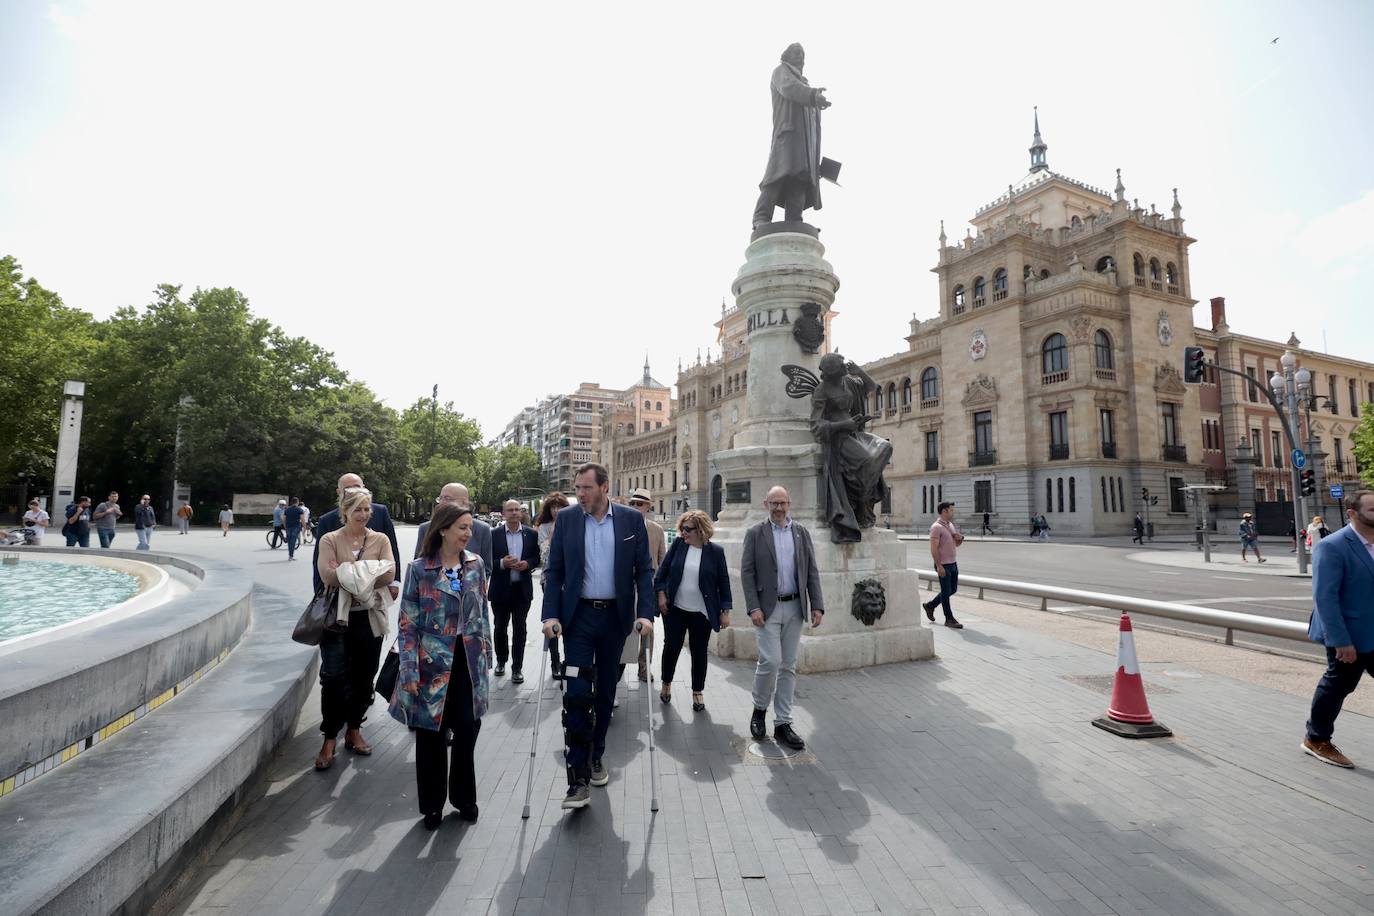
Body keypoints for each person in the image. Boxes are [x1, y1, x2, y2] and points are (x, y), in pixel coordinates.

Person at [540, 462, 655, 810]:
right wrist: (550, 614)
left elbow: (644, 571)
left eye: (586, 488)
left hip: (615, 620)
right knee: (576, 692)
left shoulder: (631, 521)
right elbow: (555, 569)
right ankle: (577, 778)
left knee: (605, 692)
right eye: (577, 488)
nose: (580, 494)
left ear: (605, 487)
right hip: (578, 619)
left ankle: (596, 755)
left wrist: (645, 614)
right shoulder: (569, 520)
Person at [390, 502, 491, 828]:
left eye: (470, 528)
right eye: (462, 527)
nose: (468, 533)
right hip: (430, 663)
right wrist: (408, 669)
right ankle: (432, 805)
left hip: (467, 660)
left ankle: (464, 798)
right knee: (430, 735)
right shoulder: (420, 569)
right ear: (443, 529)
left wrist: (486, 651)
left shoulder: (476, 565)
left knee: (467, 728)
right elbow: (407, 623)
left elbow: (482, 612)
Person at [313, 486, 396, 771]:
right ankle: (329, 737)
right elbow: (326, 575)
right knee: (333, 677)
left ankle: (354, 729)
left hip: (369, 618)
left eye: (366, 509)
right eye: (357, 509)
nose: (363, 514)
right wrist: (369, 571)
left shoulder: (380, 538)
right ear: (344, 511)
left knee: (364, 676)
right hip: (337, 618)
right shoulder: (329, 539)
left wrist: (346, 570)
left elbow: (390, 573)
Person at [740, 486, 823, 750]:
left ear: (790, 504)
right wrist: (753, 607)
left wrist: (817, 605)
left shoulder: (801, 533)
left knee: (788, 665)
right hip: (768, 609)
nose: (778, 508)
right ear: (766, 504)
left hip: (795, 607)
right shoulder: (755, 533)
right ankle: (759, 709)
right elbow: (747, 573)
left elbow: (811, 571)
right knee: (770, 661)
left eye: (782, 503)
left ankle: (783, 723)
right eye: (774, 503)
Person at [1302, 490, 1374, 768]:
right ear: (1352, 514)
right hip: (1349, 634)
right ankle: (1316, 739)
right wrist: (1340, 640)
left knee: (1338, 684)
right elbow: (1325, 597)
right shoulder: (1332, 546)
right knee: (1338, 684)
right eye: (1372, 509)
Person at [654, 509, 732, 712]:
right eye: (682, 528)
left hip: (701, 613)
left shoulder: (716, 553)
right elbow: (661, 574)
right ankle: (666, 683)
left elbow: (724, 583)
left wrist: (725, 609)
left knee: (699, 652)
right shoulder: (679, 545)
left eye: (687, 529)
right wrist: (661, 595)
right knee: (672, 647)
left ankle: (697, 691)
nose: (683, 533)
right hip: (675, 609)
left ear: (701, 530)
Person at [809, 353, 892, 543]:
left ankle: (861, 497)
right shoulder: (822, 390)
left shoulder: (848, 381)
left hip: (855, 432)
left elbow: (872, 388)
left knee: (885, 447)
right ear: (832, 370)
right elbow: (815, 425)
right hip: (839, 438)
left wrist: (860, 372)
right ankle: (860, 501)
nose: (845, 366)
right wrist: (843, 425)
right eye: (841, 365)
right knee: (866, 460)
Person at [752, 43, 832, 229]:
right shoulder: (781, 72)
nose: (800, 57)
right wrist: (812, 96)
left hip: (805, 144)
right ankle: (761, 218)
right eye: (796, 53)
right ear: (786, 55)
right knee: (777, 175)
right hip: (787, 136)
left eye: (803, 54)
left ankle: (795, 221)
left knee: (800, 179)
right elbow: (789, 88)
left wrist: (816, 100)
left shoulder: (805, 84)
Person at [314, 473, 401, 595]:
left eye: (366, 509)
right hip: (338, 604)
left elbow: (390, 566)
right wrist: (319, 593)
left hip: (373, 604)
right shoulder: (327, 524)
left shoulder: (381, 514)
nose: (363, 515)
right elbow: (325, 572)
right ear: (339, 492)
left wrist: (342, 570)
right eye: (348, 489)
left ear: (364, 487)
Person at [490, 498, 540, 682]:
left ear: (522, 513)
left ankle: (517, 667)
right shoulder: (493, 534)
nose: (514, 513)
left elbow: (536, 558)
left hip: (522, 590)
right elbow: (486, 562)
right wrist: (502, 563)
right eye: (510, 510)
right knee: (500, 627)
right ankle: (501, 661)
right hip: (500, 590)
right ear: (503, 513)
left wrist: (528, 564)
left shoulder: (531, 534)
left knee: (520, 628)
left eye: (517, 509)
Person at [624, 487, 667, 682]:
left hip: (647, 588)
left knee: (647, 630)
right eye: (632, 503)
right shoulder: (621, 526)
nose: (635, 506)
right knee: (623, 629)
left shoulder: (657, 530)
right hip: (624, 588)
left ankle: (644, 667)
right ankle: (618, 669)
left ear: (648, 507)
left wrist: (660, 592)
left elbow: (662, 563)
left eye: (639, 504)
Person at [414, 483, 492, 574]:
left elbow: (486, 570)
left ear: (464, 502)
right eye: (440, 498)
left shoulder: (482, 530)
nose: (441, 503)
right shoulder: (425, 528)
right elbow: (419, 564)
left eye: (447, 498)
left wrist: (469, 583)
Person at [922, 501, 965, 629]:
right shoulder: (936, 527)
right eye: (951, 510)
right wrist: (939, 565)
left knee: (952, 590)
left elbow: (955, 544)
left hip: (953, 563)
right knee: (946, 592)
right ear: (945, 511)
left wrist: (960, 539)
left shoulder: (950, 525)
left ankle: (930, 605)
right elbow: (933, 548)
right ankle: (949, 619)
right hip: (943, 565)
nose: (953, 512)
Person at [535, 491, 570, 587]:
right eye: (553, 507)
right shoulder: (544, 527)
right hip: (548, 577)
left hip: (568, 576)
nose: (556, 510)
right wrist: (552, 533)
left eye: (559, 507)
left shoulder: (571, 525)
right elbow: (544, 555)